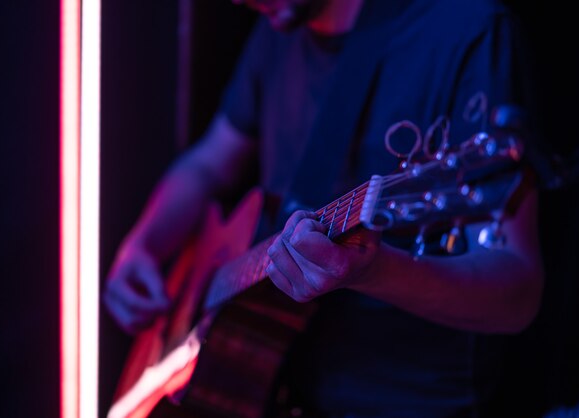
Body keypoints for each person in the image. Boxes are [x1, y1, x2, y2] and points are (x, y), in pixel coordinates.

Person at [103, 0, 545, 417]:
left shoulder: (466, 30)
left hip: (404, 401)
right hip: (276, 387)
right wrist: (143, 243)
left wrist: (375, 271)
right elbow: (210, 162)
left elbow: (518, 291)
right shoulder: (279, 24)